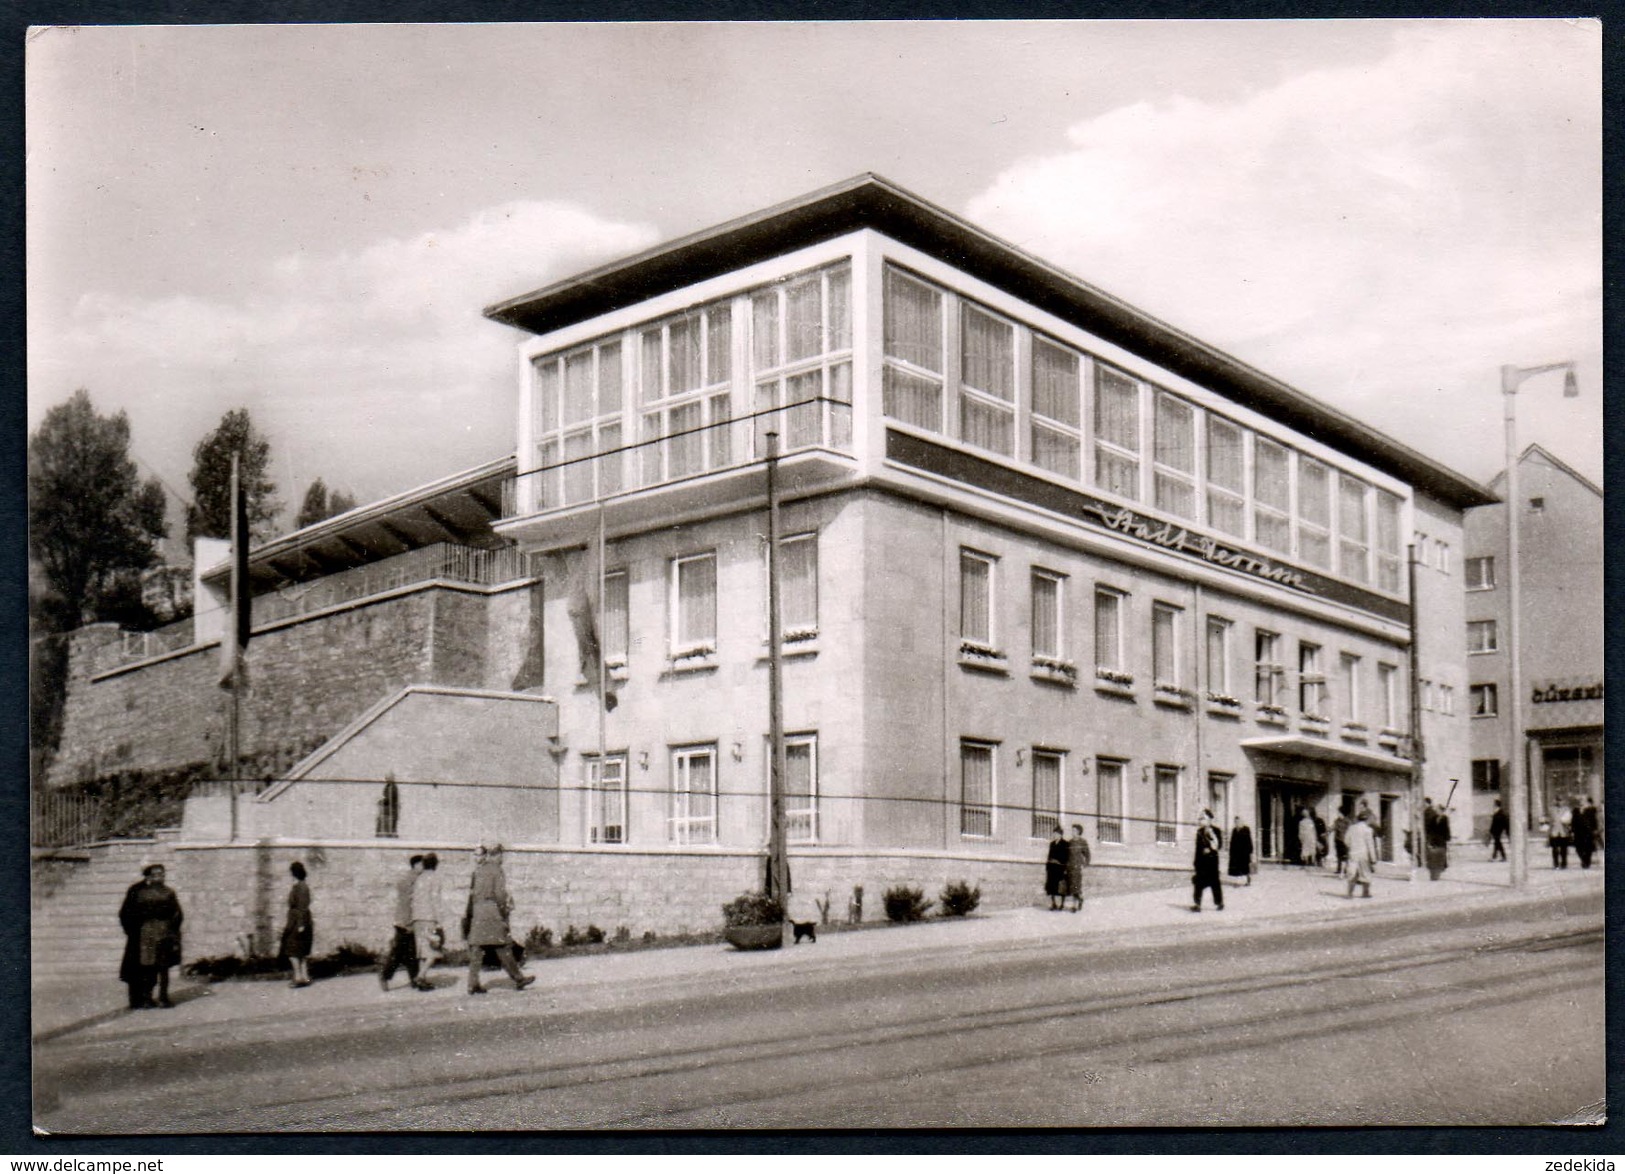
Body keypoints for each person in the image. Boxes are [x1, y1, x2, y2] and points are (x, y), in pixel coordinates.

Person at [464, 844, 534, 994]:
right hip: (492, 910)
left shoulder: (478, 870)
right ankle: (518, 979)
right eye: (500, 855)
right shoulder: (497, 870)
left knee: (477, 948)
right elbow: (500, 895)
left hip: (478, 910)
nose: (502, 858)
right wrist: (503, 913)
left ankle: (472, 983)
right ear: (495, 856)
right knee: (503, 945)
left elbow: (472, 894)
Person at [118, 863, 183, 1010]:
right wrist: (173, 931)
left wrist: (134, 930)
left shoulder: (140, 893)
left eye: (162, 874)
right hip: (162, 933)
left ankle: (147, 999)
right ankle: (162, 998)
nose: (162, 877)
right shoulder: (167, 892)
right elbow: (177, 915)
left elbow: (126, 914)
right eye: (159, 874)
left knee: (149, 966)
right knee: (162, 968)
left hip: (145, 934)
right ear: (150, 876)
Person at [380, 854, 426, 992]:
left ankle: (414, 979)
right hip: (404, 922)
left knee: (412, 953)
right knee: (398, 953)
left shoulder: (416, 879)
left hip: (409, 922)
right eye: (422, 864)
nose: (423, 867)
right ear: (416, 865)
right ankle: (384, 976)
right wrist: (408, 923)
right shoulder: (409, 881)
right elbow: (406, 903)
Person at [281, 861, 313, 989]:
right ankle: (304, 977)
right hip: (298, 921)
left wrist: (301, 925)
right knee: (301, 951)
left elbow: (302, 906)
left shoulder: (301, 887)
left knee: (293, 951)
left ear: (294, 873)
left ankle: (299, 977)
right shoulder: (299, 886)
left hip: (298, 922)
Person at [412, 852, 445, 971]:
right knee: (433, 951)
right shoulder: (435, 878)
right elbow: (435, 900)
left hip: (417, 918)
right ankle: (420, 977)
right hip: (429, 917)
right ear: (435, 864)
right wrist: (440, 921)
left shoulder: (419, 878)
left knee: (422, 952)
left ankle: (422, 979)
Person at [1191, 810, 1224, 912]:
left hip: (1212, 862)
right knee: (1198, 883)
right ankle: (1197, 904)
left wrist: (1209, 849)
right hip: (1202, 862)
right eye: (1200, 818)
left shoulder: (1216, 831)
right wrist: (1196, 862)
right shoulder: (1199, 832)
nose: (1201, 821)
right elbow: (1197, 848)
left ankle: (1219, 903)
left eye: (1203, 818)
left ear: (1209, 820)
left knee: (1215, 883)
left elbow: (1219, 845)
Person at [1345, 809, 1378, 899]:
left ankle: (1349, 893)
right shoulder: (1368, 830)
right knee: (1366, 873)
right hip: (1364, 854)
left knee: (1352, 873)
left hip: (1353, 853)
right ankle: (1365, 892)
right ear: (1367, 819)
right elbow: (1370, 845)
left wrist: (1351, 847)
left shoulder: (1351, 828)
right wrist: (1373, 858)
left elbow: (1346, 841)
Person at [1064, 823, 1091, 911]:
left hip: (1077, 867)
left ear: (1079, 832)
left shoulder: (1082, 842)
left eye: (1074, 830)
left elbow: (1087, 854)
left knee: (1076, 886)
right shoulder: (1070, 842)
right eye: (1072, 830)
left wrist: (1085, 865)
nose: (1072, 832)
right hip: (1070, 867)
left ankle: (1074, 905)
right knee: (1071, 886)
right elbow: (1066, 855)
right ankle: (1080, 899)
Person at [1423, 799, 1451, 880]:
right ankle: (1438, 866)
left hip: (1442, 838)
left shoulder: (1445, 818)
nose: (1437, 811)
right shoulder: (1434, 818)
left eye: (1438, 809)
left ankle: (1443, 865)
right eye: (1437, 809)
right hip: (1435, 838)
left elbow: (1447, 828)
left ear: (1441, 810)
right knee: (1436, 852)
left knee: (1442, 852)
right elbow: (1430, 828)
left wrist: (1448, 838)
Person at [1043, 826, 1069, 911]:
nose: (1054, 835)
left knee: (1061, 887)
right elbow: (1049, 856)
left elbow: (1066, 857)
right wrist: (1048, 866)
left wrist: (1062, 865)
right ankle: (1053, 903)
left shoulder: (1065, 844)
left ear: (1060, 835)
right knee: (1051, 887)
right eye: (1054, 833)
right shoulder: (1052, 844)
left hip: (1060, 868)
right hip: (1052, 868)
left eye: (1056, 834)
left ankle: (1062, 904)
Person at [1227, 817, 1254, 886]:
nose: (1237, 823)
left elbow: (1249, 841)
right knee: (1236, 868)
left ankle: (1248, 880)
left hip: (1244, 852)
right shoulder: (1234, 830)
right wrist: (1230, 852)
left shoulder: (1246, 829)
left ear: (1241, 822)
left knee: (1245, 867)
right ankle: (1237, 882)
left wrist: (1250, 852)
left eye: (1238, 821)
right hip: (1236, 852)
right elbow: (1232, 842)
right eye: (1236, 822)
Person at [1571, 801, 1595, 870]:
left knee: (1588, 848)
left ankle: (1587, 861)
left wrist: (1594, 830)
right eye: (1580, 804)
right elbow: (1573, 821)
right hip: (1578, 833)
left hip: (1588, 833)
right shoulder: (1575, 812)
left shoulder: (1590, 811)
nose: (1581, 805)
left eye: (1583, 804)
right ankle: (1583, 859)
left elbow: (1593, 821)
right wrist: (1572, 831)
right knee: (1579, 848)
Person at [1548, 803, 1571, 870]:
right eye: (1558, 800)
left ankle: (1564, 863)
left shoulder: (1566, 809)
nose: (1559, 802)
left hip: (1563, 832)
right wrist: (1549, 832)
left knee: (1563, 849)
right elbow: (1550, 820)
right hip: (1554, 832)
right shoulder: (1552, 809)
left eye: (1561, 800)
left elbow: (1569, 820)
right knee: (1555, 849)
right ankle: (1556, 864)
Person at [1332, 811, 1350, 876]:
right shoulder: (1337, 820)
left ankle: (1345, 869)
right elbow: (1333, 827)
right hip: (1337, 840)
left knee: (1345, 855)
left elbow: (1349, 829)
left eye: (1339, 813)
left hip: (1344, 840)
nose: (1338, 814)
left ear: (1342, 814)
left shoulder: (1347, 821)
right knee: (1338, 855)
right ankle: (1339, 869)